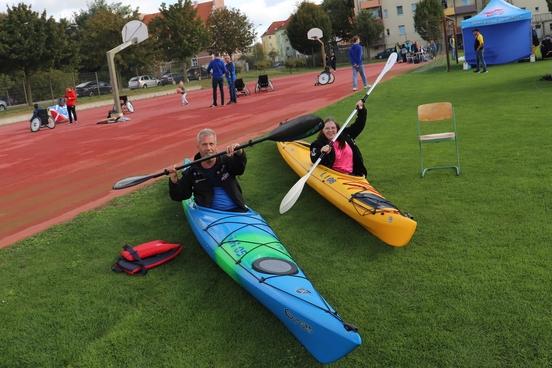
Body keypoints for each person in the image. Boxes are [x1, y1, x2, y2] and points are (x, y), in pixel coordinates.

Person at [168, 129, 247, 212]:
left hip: (237, 209)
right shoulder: (192, 171)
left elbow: (239, 170)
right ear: (198, 147)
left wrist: (239, 153)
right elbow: (179, 196)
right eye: (204, 145)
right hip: (209, 215)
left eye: (211, 144)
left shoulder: (226, 160)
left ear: (216, 145)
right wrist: (174, 181)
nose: (208, 148)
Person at [309, 100, 367, 177]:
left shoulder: (345, 135)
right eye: (327, 128)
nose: (330, 131)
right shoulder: (318, 144)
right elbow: (314, 158)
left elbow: (359, 125)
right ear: (322, 131)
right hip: (335, 177)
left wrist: (361, 110)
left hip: (354, 175)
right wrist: (321, 151)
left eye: (333, 128)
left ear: (337, 129)